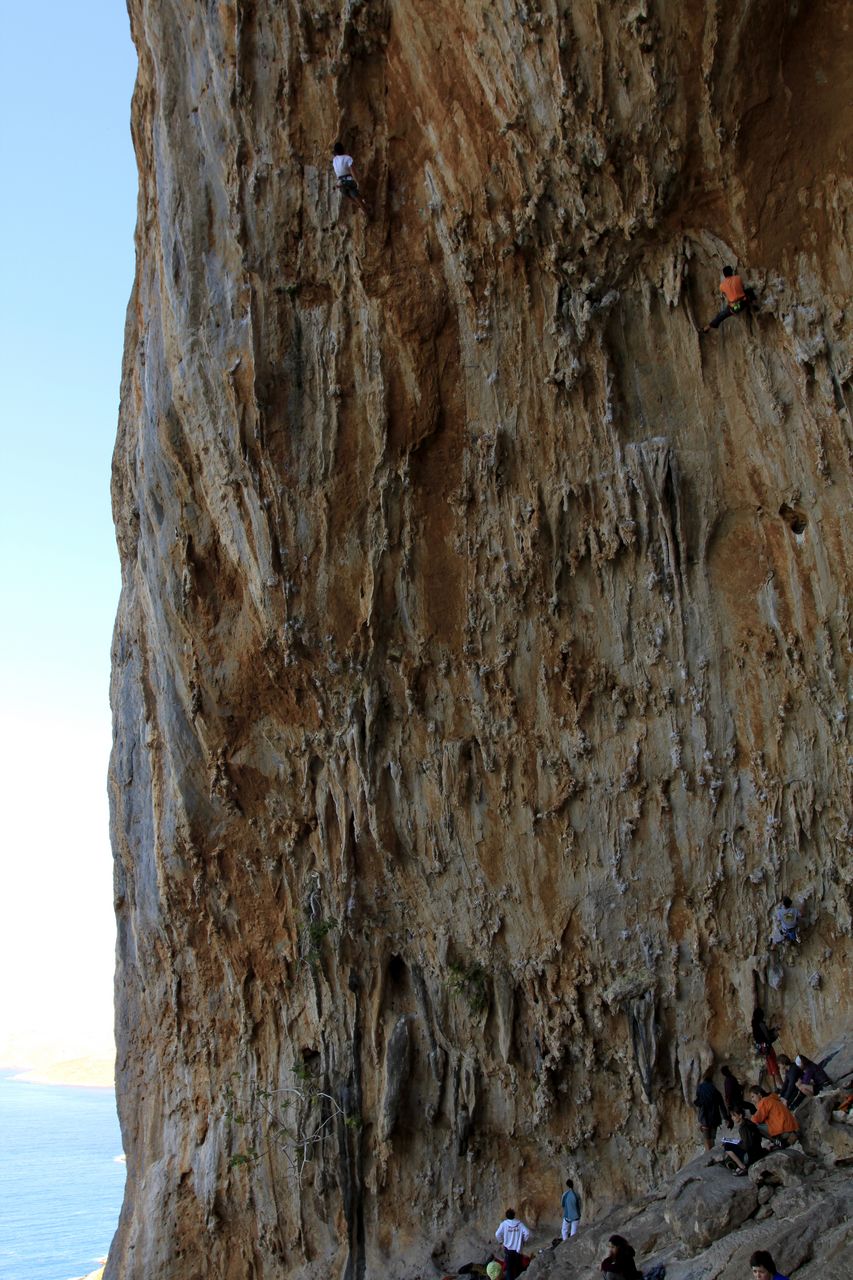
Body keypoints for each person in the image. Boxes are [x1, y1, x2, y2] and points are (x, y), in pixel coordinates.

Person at [700, 265, 749, 333]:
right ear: (731, 272)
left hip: (734, 308)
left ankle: (707, 328)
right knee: (749, 291)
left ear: (724, 274)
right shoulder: (738, 278)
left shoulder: (722, 285)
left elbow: (726, 294)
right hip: (744, 302)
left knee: (721, 315)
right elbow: (742, 287)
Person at [723, 1104, 766, 1175]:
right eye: (732, 1116)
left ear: (740, 1115)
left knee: (727, 1146)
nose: (732, 1118)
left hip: (751, 1157)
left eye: (734, 1115)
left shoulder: (743, 1128)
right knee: (730, 1144)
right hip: (758, 1152)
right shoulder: (749, 1122)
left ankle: (742, 1167)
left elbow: (746, 1146)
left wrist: (736, 1143)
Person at [694, 1070, 730, 1150]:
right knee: (712, 1138)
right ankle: (712, 1153)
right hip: (714, 1118)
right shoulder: (716, 1092)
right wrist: (726, 1118)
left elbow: (698, 1102)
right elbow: (722, 1106)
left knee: (706, 1139)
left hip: (704, 1118)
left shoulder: (700, 1088)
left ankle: (708, 1154)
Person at [332, 142, 369, 215]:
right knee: (357, 193)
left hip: (340, 182)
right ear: (343, 149)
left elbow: (335, 155)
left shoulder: (334, 160)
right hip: (349, 181)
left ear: (335, 152)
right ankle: (366, 212)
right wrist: (357, 182)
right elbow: (353, 171)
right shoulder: (347, 158)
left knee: (347, 195)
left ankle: (359, 206)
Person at [751, 1007, 782, 1089]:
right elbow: (767, 1036)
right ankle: (781, 1085)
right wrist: (775, 1033)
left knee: (770, 1068)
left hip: (762, 1049)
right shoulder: (761, 1024)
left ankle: (775, 1087)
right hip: (767, 1048)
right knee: (774, 1066)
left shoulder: (754, 1025)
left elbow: (761, 1037)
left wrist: (773, 1030)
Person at [495, 1209, 531, 1280]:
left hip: (508, 1250)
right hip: (518, 1250)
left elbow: (497, 1234)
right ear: (514, 1215)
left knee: (509, 1270)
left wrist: (501, 1242)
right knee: (518, 1268)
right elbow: (527, 1233)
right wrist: (523, 1240)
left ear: (506, 1216)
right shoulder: (520, 1224)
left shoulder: (504, 1224)